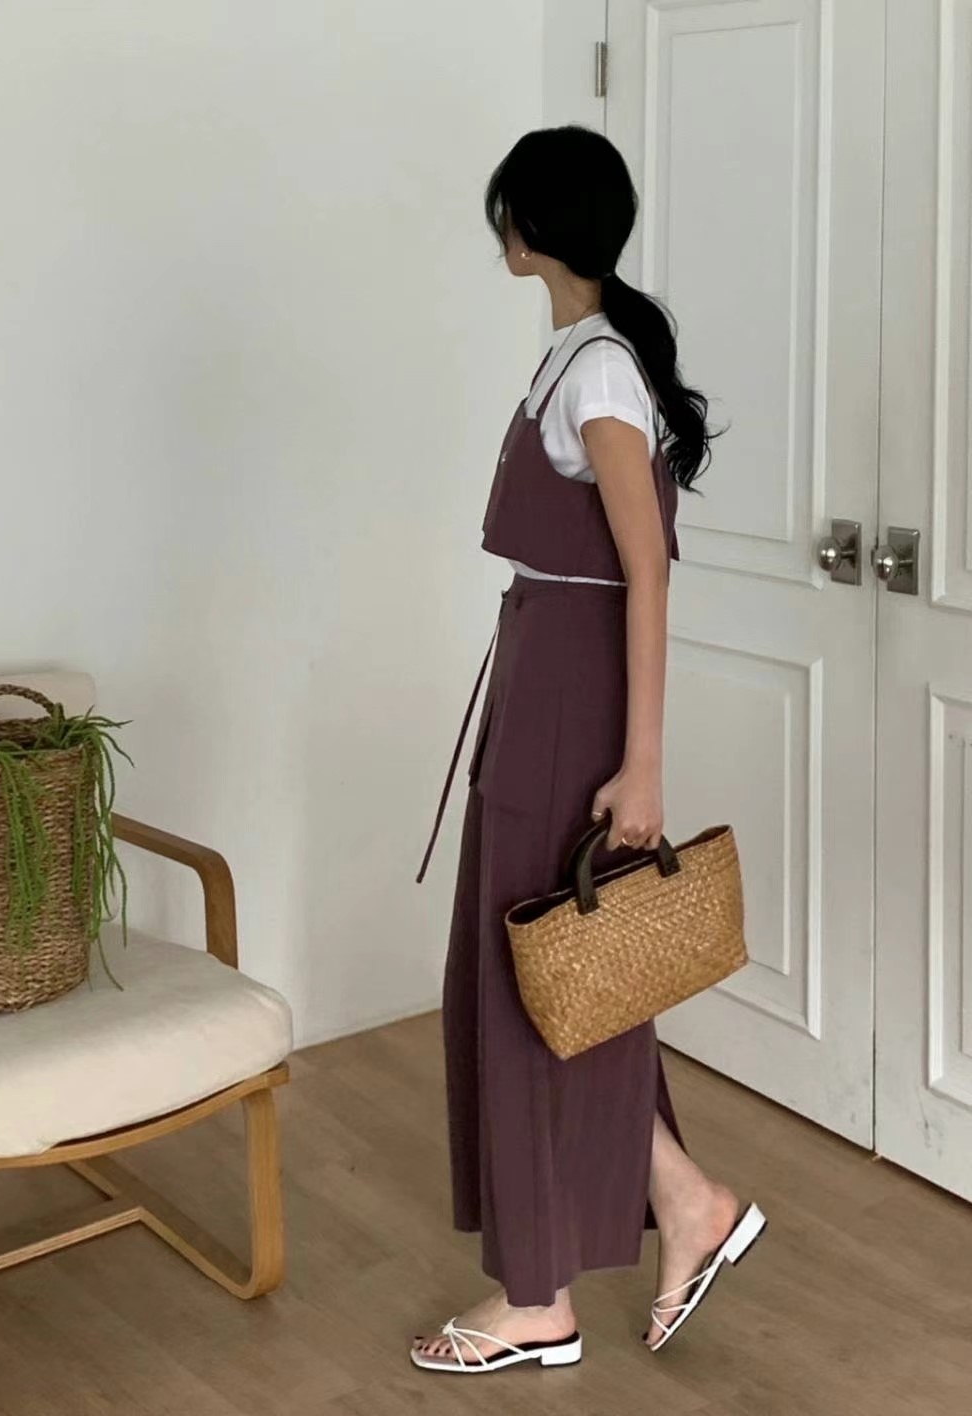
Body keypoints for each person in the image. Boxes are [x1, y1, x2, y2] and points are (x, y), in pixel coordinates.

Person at [411, 126, 765, 1375]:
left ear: (527, 230)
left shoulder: (600, 373)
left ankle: (537, 1300)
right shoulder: (581, 353)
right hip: (549, 671)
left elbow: (646, 571)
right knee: (562, 972)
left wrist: (644, 764)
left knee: (537, 980)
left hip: (575, 688)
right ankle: (685, 1202)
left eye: (503, 211)